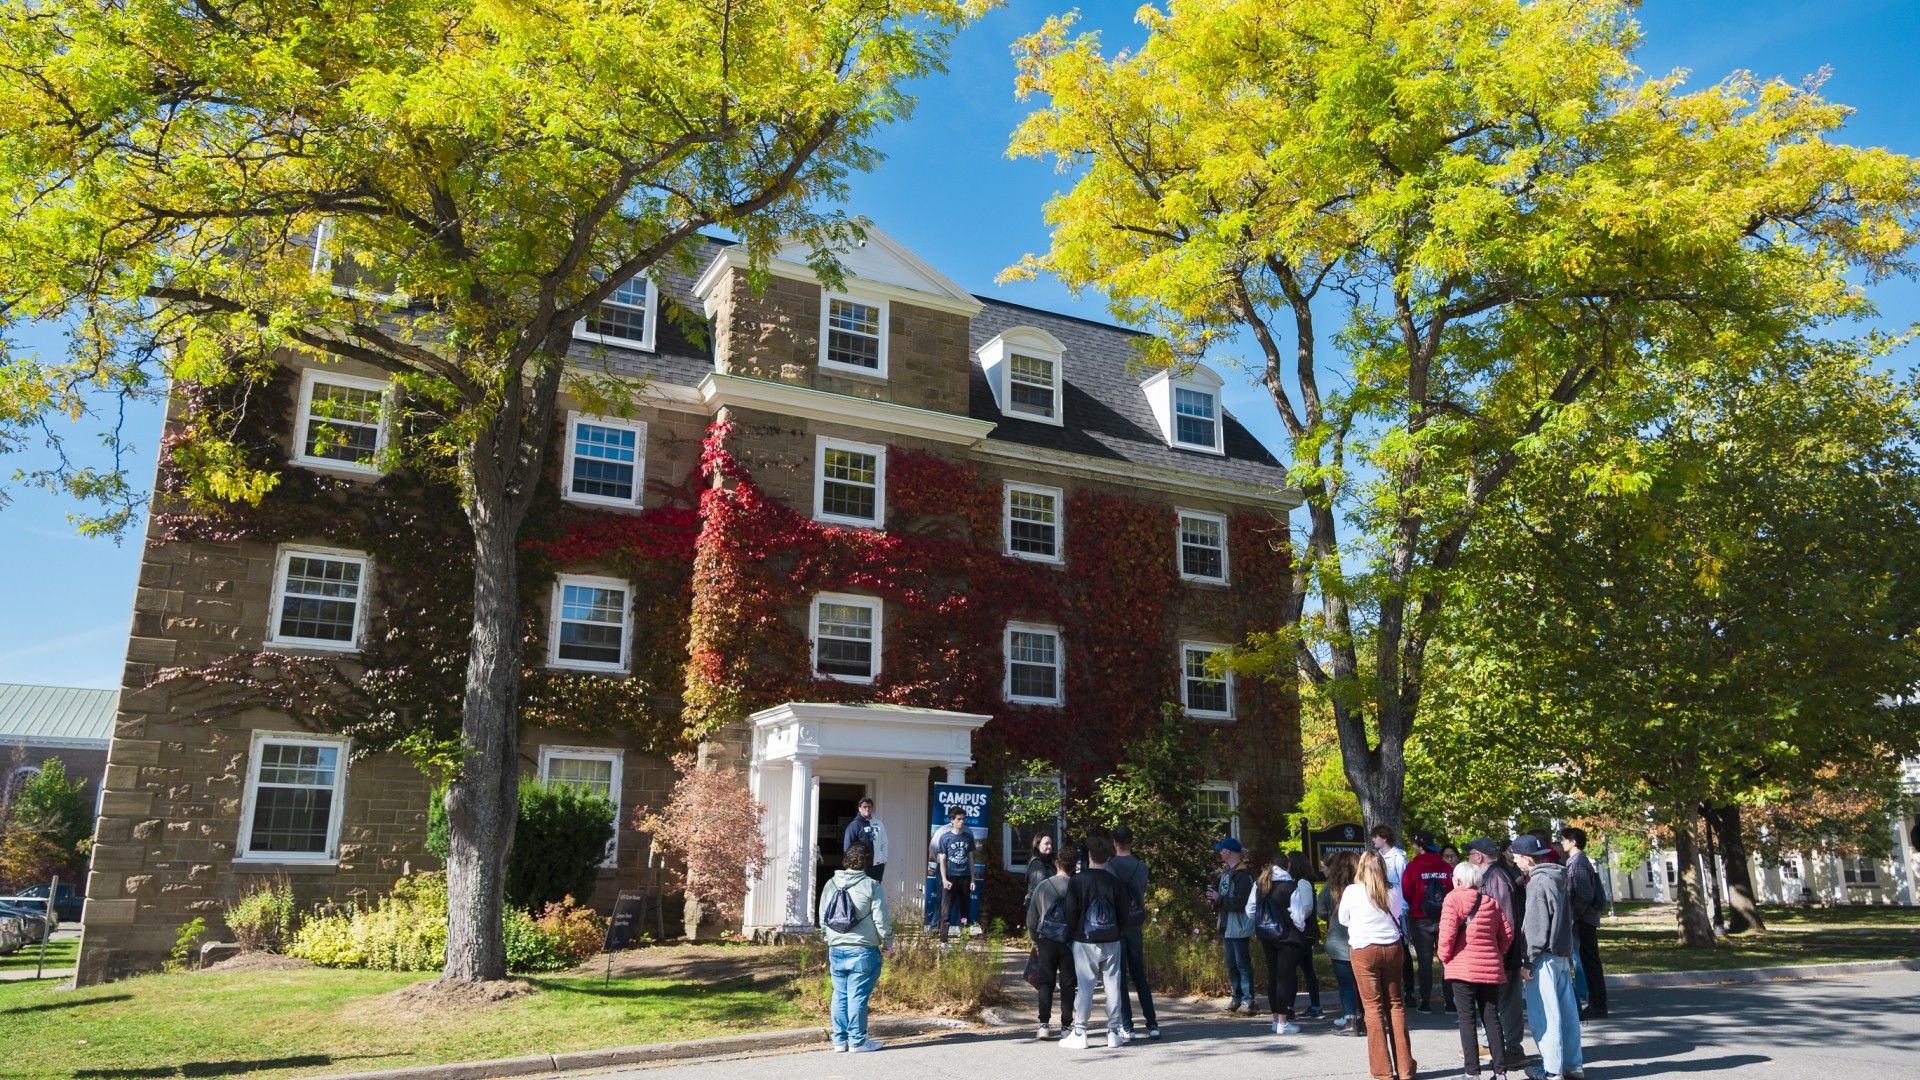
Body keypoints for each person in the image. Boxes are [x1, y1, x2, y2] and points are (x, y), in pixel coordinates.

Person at [1511, 834, 1585, 1080]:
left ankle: (1552, 1070)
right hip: (1561, 954)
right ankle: (1573, 1066)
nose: (1515, 861)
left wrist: (1527, 960)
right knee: (1567, 1014)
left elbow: (1536, 927)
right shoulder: (1558, 876)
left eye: (1517, 857)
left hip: (1543, 957)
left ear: (1528, 859)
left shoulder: (1537, 883)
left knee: (1545, 1015)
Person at [1341, 850, 1418, 1080]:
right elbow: (1398, 913)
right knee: (1395, 1005)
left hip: (1364, 949)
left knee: (1373, 1008)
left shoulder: (1353, 891)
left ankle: (1382, 1069)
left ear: (1361, 868)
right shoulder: (1393, 890)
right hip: (1392, 947)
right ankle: (1405, 1068)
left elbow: (1344, 919)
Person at [1439, 860, 1514, 1080]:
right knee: (1492, 1018)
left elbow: (1447, 936)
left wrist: (1445, 958)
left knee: (1467, 1019)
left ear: (1457, 880)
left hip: (1462, 969)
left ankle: (1472, 1072)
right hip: (1490, 968)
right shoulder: (1490, 901)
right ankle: (1500, 1071)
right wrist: (1495, 953)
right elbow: (1507, 935)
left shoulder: (1452, 899)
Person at [1060, 833, 1130, 1049]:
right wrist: (1118, 932)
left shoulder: (1077, 881)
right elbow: (1124, 912)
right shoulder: (1115, 882)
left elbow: (1070, 911)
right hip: (1112, 939)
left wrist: (1074, 933)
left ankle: (1080, 1032)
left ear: (1088, 855)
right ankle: (1113, 1032)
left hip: (1085, 940)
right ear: (1107, 857)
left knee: (1085, 987)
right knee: (1113, 986)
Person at [820, 842, 891, 1053]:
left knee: (839, 994)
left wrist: (827, 936)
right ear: (867, 862)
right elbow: (881, 920)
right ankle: (858, 1041)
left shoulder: (831, 883)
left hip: (836, 947)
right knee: (857, 996)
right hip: (863, 948)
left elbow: (823, 916)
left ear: (846, 860)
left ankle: (839, 1041)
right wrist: (888, 943)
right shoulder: (871, 885)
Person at [1468, 837, 1531, 1067]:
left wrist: (1501, 951)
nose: (1468, 858)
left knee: (1507, 1001)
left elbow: (1507, 920)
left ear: (1479, 857)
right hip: (1498, 951)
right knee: (1495, 1001)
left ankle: (1513, 1049)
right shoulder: (1494, 875)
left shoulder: (1496, 877)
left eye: (1469, 854)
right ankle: (1496, 1045)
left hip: (1503, 952)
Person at [1251, 849, 1317, 1036]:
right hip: (1287, 937)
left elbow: (1250, 909)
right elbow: (1297, 915)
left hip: (1266, 935)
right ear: (1287, 866)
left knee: (1273, 977)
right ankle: (1283, 1021)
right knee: (1284, 977)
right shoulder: (1290, 885)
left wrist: (1262, 923)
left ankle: (1275, 1020)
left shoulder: (1260, 884)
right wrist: (1300, 928)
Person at [1107, 825, 1160, 1039]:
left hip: (1117, 926)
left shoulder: (1109, 867)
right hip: (1136, 923)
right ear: (1132, 842)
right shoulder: (1142, 867)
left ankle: (1128, 1026)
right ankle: (1152, 1024)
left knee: (1119, 976)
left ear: (1114, 843)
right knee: (1139, 975)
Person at [1027, 846, 1078, 1039]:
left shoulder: (1043, 886)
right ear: (1074, 866)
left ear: (1056, 863)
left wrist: (1035, 941)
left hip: (1046, 939)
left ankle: (1043, 1025)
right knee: (1068, 983)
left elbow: (1032, 918)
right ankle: (1066, 1025)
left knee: (1046, 982)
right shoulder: (1077, 886)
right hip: (1069, 941)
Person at [1558, 827, 1607, 1019]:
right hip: (1584, 918)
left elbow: (1584, 895)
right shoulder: (1576, 861)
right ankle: (1596, 1003)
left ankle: (1598, 1005)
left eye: (1564, 839)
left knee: (1590, 962)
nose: (1562, 842)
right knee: (1588, 961)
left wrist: (1573, 917)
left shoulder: (1578, 863)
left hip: (1584, 920)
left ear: (1573, 842)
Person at [1403, 831, 1453, 1013]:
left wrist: (1417, 904)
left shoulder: (1413, 867)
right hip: (1444, 917)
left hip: (1421, 919)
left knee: (1424, 962)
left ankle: (1425, 1001)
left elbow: (1407, 892)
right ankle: (1450, 1001)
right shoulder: (1445, 867)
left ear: (1419, 846)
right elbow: (1452, 888)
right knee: (1446, 959)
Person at [1205, 837, 1257, 1013]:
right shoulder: (1227, 874)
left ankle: (1249, 1000)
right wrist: (1214, 900)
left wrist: (1219, 899)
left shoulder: (1243, 875)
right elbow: (1226, 899)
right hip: (1227, 925)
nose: (1219, 853)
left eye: (1221, 850)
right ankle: (1236, 997)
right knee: (1232, 964)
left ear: (1228, 852)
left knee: (1243, 964)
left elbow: (1241, 901)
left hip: (1239, 926)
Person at [1320, 849, 1364, 1036]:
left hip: (1338, 942)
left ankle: (1350, 1020)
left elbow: (1321, 912)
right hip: (1361, 941)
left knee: (1345, 983)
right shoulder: (1363, 887)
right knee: (1363, 983)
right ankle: (1364, 1018)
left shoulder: (1330, 888)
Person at [929, 807, 976, 942]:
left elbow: (971, 858)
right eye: (959, 819)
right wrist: (944, 879)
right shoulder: (944, 836)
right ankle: (943, 939)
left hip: (965, 877)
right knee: (945, 909)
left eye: (963, 819)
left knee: (964, 910)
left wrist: (973, 878)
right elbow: (941, 858)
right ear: (952, 820)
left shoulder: (968, 836)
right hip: (950, 876)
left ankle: (965, 939)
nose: (962, 822)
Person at [842, 797, 889, 882]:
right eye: (864, 807)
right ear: (859, 808)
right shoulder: (854, 825)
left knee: (875, 889)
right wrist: (853, 865)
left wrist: (883, 859)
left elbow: (884, 843)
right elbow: (847, 848)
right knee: (861, 889)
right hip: (861, 867)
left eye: (869, 807)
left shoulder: (879, 824)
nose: (867, 809)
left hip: (877, 866)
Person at [1026, 832, 1057, 907]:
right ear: (1037, 845)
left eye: (1051, 844)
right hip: (1039, 906)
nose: (1050, 846)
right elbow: (1039, 888)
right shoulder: (1037, 863)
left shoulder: (1047, 862)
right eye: (1046, 844)